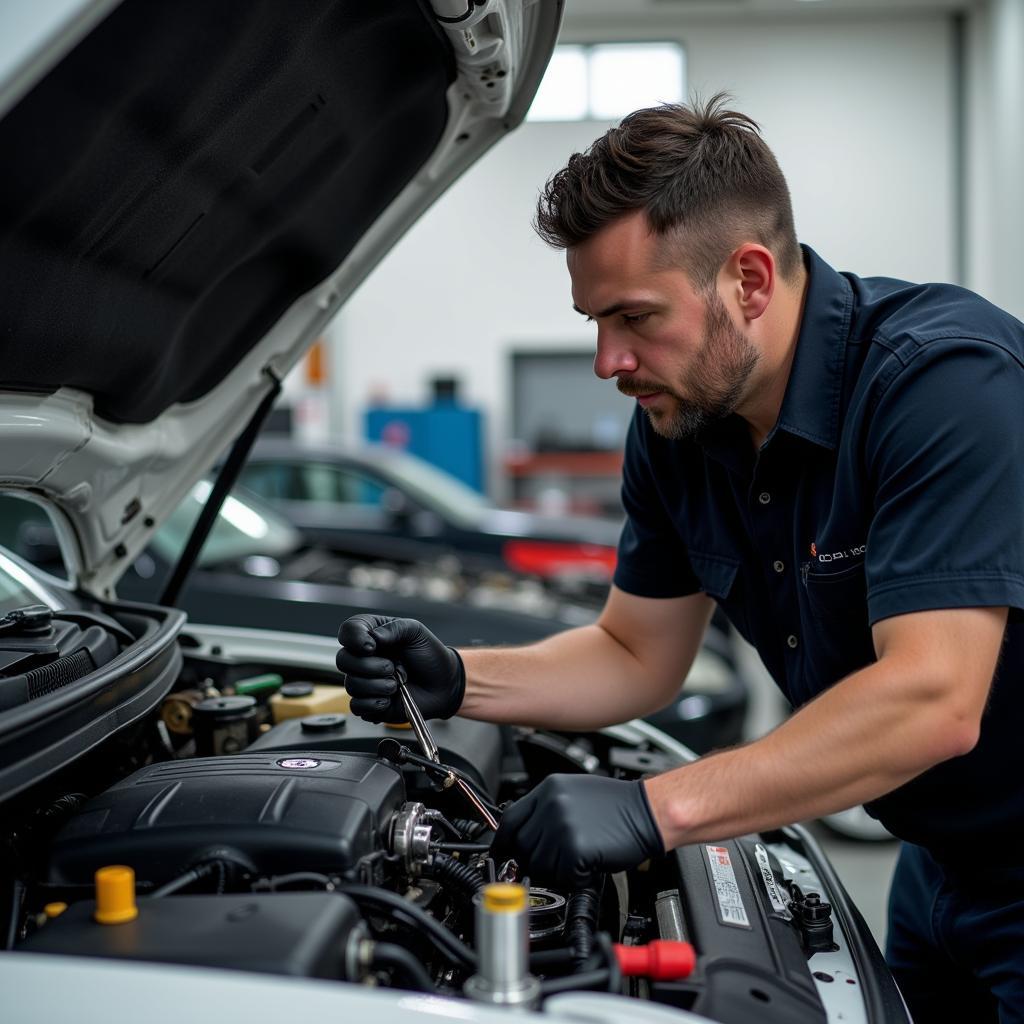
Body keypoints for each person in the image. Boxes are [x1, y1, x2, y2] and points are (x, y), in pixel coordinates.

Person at [336, 95, 1024, 1020]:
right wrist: (459, 678)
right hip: (938, 866)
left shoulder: (942, 387)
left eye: (634, 317)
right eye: (593, 321)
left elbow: (933, 700)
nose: (606, 361)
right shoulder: (679, 431)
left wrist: (653, 809)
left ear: (748, 280)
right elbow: (634, 653)